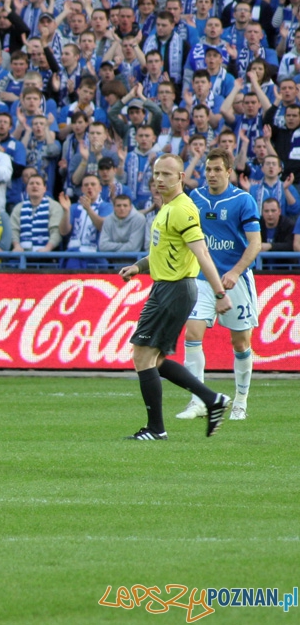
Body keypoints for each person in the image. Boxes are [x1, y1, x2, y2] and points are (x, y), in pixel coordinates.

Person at [117, 154, 234, 441]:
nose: (159, 179)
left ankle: (156, 429)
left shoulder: (183, 209)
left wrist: (219, 293)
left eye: (167, 174)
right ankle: (210, 399)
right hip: (167, 288)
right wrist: (139, 267)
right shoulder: (167, 209)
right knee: (153, 360)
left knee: (143, 355)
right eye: (156, 173)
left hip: (174, 289)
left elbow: (201, 252)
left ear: (181, 177)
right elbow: (162, 251)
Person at [177, 148, 262, 422]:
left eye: (217, 170)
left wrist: (236, 272)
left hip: (235, 280)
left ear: (228, 171)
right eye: (208, 170)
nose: (211, 174)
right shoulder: (196, 198)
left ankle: (240, 401)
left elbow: (255, 243)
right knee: (192, 334)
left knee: (240, 343)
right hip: (202, 279)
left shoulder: (243, 200)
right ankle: (198, 400)